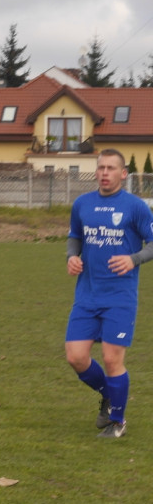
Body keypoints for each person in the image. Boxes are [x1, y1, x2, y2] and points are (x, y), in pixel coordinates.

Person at [65, 148, 153, 439]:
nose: (104, 173)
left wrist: (134, 259)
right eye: (101, 167)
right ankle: (108, 395)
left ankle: (118, 421)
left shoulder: (135, 207)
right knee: (76, 357)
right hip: (87, 295)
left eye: (111, 168)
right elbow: (75, 236)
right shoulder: (82, 203)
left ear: (123, 174)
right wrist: (72, 257)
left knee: (112, 359)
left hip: (120, 297)